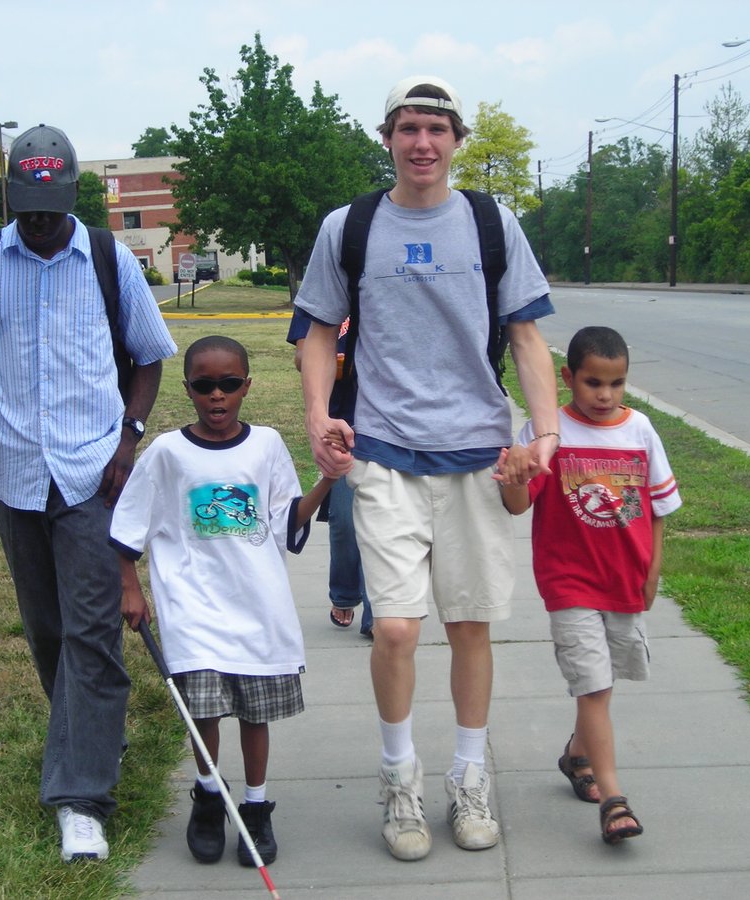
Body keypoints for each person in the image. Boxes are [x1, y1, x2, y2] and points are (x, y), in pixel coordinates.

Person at [295, 75, 561, 860]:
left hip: (478, 454)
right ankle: (399, 779)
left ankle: (469, 776)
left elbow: (528, 336)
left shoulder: (490, 223)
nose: (422, 143)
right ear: (387, 137)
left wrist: (543, 434)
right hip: (383, 451)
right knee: (400, 630)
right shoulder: (350, 227)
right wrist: (317, 417)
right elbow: (315, 332)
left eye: (437, 130)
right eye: (408, 128)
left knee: (471, 625)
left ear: (456, 141)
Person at [0, 124, 177, 862]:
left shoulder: (108, 260)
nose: (36, 220)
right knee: (47, 634)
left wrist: (129, 438)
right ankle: (98, 735)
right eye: (24, 206)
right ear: (9, 197)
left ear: (72, 196)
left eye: (49, 206)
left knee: (93, 633)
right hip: (12, 480)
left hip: (90, 476)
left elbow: (149, 359)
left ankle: (80, 799)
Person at [110, 335, 336, 867]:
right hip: (195, 609)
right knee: (206, 712)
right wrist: (130, 586)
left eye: (229, 385)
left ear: (246, 387)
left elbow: (286, 521)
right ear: (188, 389)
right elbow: (127, 528)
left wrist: (328, 479)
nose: (217, 396)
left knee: (253, 716)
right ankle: (209, 796)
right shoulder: (167, 453)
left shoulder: (268, 446)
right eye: (205, 385)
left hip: (257, 607)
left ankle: (255, 807)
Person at [496, 325, 682, 845]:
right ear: (567, 378)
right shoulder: (546, 431)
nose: (605, 395)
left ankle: (578, 754)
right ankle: (615, 798)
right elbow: (518, 505)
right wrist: (513, 478)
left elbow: (660, 508)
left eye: (616, 383)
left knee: (607, 676)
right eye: (593, 382)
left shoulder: (640, 430)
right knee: (594, 684)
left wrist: (651, 573)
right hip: (568, 580)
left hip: (624, 577)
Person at [286, 307, 373, 638]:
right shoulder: (320, 295)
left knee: (385, 520)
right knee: (345, 520)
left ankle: (378, 613)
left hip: (387, 421)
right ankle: (345, 593)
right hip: (339, 423)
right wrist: (340, 363)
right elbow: (301, 357)